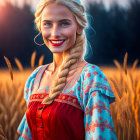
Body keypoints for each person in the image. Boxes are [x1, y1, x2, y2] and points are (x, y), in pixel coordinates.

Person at [17, 0, 117, 139]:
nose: (55, 33)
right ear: (40, 26)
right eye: (47, 24)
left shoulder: (90, 77)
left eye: (64, 23)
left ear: (80, 26)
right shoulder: (35, 78)